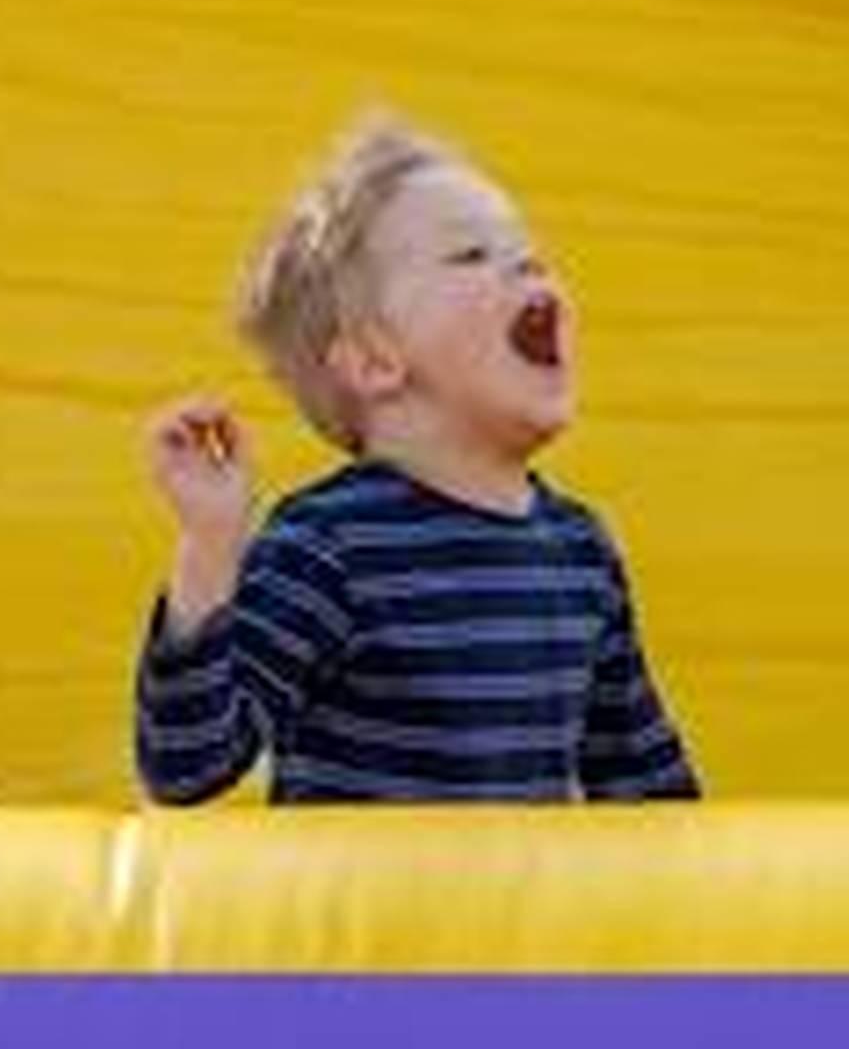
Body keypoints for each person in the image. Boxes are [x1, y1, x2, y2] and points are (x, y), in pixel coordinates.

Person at [135, 114, 699, 805]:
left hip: (518, 916)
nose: (528, 267)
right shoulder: (329, 546)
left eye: (529, 254)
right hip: (374, 918)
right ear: (375, 360)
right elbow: (187, 765)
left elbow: (646, 790)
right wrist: (209, 549)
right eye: (470, 255)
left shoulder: (580, 550)